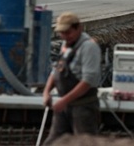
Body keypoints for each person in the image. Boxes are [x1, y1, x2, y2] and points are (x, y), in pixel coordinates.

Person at [42, 12, 102, 145]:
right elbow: (56, 71)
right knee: (53, 141)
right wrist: (46, 92)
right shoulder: (66, 45)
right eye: (62, 33)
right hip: (64, 106)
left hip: (83, 107)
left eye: (68, 32)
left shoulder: (88, 47)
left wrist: (64, 100)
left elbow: (87, 81)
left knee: (85, 142)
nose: (64, 36)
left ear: (78, 28)